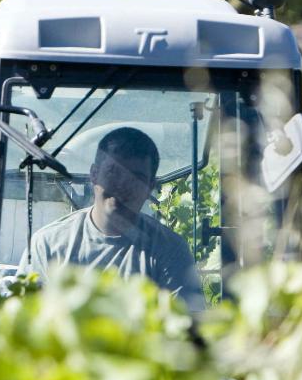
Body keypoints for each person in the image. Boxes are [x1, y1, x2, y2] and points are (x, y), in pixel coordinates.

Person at [18, 126, 205, 311]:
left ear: (150, 186)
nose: (123, 185)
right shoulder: (48, 245)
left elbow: (187, 328)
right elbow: (25, 321)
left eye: (136, 177)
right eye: (113, 172)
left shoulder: (169, 250)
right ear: (94, 174)